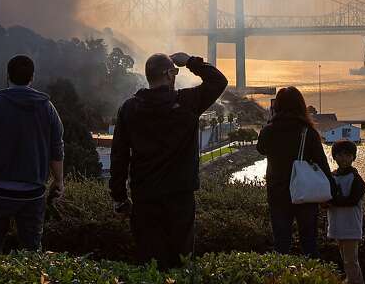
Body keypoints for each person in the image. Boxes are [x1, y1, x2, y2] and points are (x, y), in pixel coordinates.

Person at [109, 51, 227, 268]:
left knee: (150, 263)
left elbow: (119, 156)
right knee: (181, 263)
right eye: (175, 72)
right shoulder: (187, 102)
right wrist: (191, 62)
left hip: (144, 197)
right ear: (170, 74)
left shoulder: (129, 108)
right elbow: (219, 81)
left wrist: (119, 198)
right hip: (180, 197)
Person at [0, 54, 65, 254]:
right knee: (32, 252)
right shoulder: (47, 108)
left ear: (7, 76)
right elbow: (57, 148)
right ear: (32, 77)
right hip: (32, 193)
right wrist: (58, 180)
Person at [256, 86, 332, 258]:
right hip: (305, 192)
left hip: (278, 192)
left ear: (277, 106)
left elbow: (261, 149)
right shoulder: (308, 132)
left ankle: (280, 281)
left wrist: (270, 121)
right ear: (300, 106)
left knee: (281, 243)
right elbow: (322, 163)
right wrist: (331, 191)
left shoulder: (269, 130)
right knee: (309, 242)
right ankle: (311, 281)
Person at [327, 139, 365, 284]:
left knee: (350, 261)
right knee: (348, 260)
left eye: (347, 155)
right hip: (337, 224)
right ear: (334, 157)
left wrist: (330, 201)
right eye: (339, 155)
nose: (343, 158)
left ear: (353, 157)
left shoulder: (356, 179)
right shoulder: (332, 176)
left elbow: (352, 200)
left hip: (351, 225)